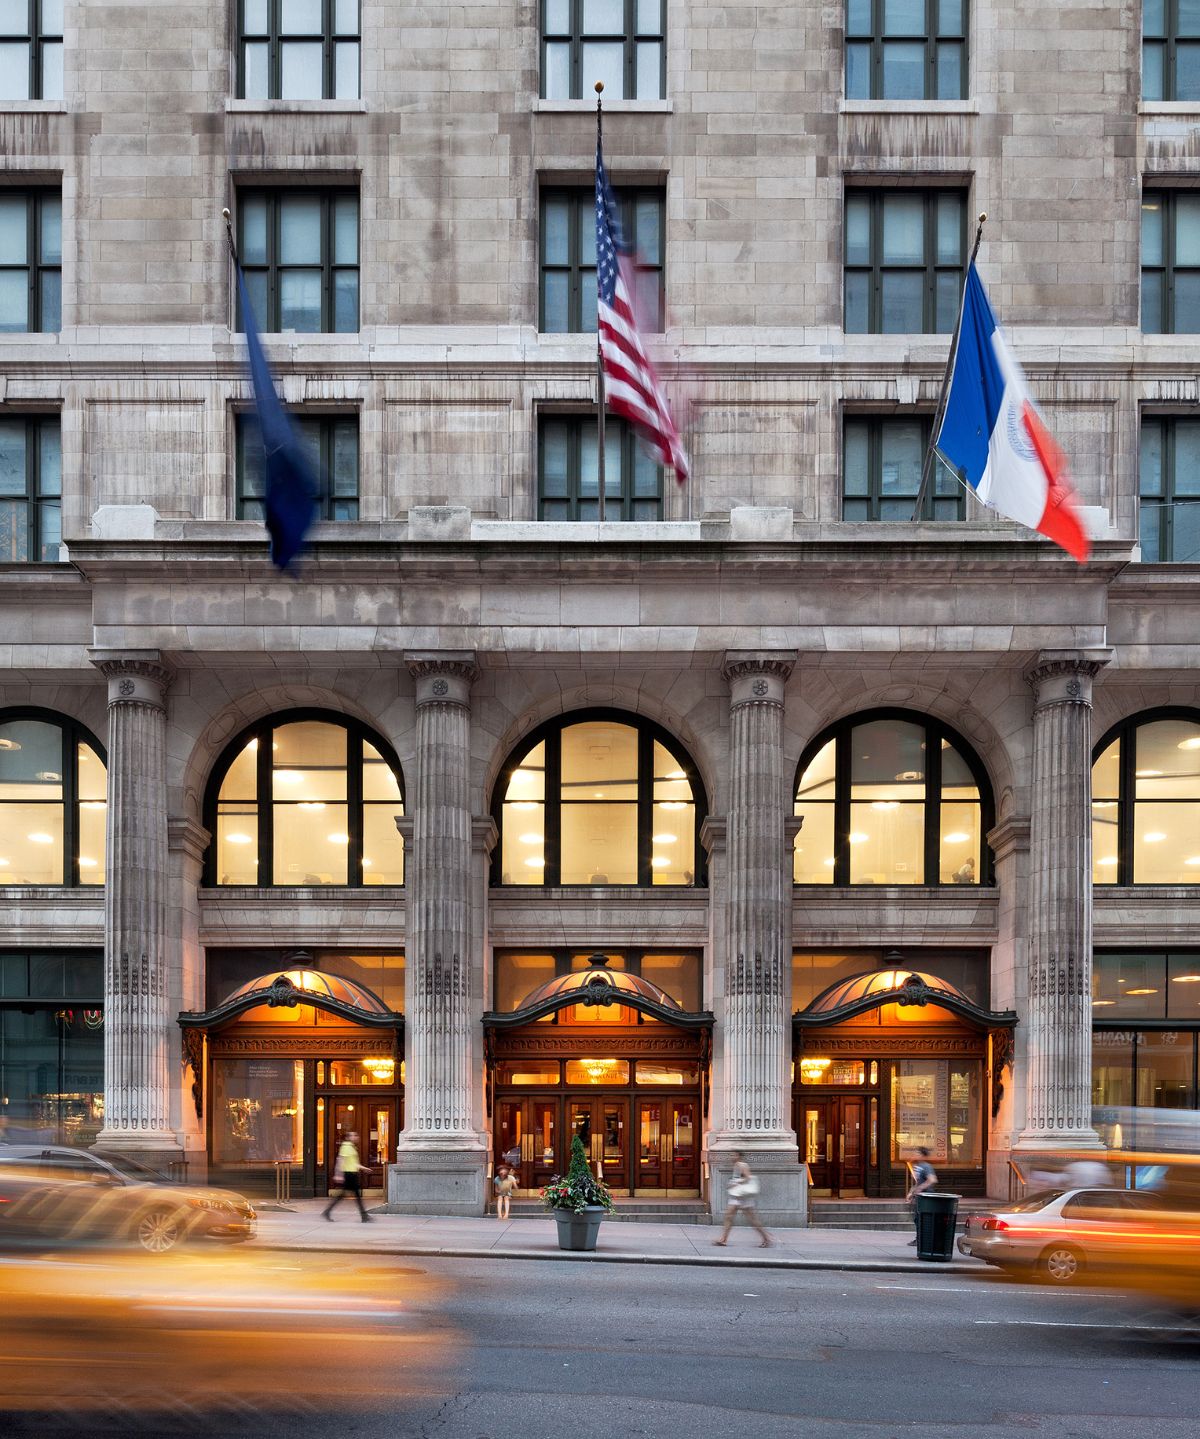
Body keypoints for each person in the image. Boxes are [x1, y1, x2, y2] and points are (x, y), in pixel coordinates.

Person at [713, 1151, 771, 1248]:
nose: (731, 1156)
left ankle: (766, 1238)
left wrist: (736, 1183)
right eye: (731, 1154)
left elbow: (748, 1178)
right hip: (736, 1196)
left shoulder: (743, 1165)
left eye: (733, 1155)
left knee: (752, 1219)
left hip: (743, 1196)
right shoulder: (736, 1165)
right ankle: (723, 1239)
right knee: (729, 1216)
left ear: (739, 1156)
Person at [323, 1130, 372, 1223]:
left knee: (348, 1196)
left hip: (352, 1174)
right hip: (349, 1174)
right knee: (353, 1196)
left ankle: (327, 1212)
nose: (356, 1137)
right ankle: (364, 1216)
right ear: (348, 1138)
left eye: (356, 1135)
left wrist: (364, 1168)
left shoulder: (352, 1147)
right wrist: (338, 1174)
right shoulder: (346, 1147)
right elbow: (340, 1160)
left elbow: (354, 1163)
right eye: (354, 1135)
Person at [905, 1147, 938, 1246]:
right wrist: (911, 1193)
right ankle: (919, 1238)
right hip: (919, 1197)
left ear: (922, 1155)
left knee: (922, 1218)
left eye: (917, 1153)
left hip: (926, 1197)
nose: (914, 1154)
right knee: (917, 1218)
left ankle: (923, 1239)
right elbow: (918, 1182)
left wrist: (919, 1189)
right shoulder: (917, 1166)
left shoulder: (926, 1166)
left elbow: (932, 1179)